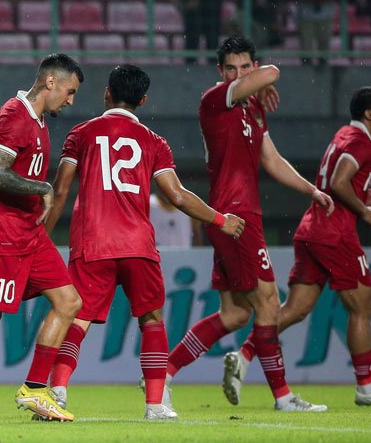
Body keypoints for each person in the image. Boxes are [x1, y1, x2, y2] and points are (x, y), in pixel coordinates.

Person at [42, 65, 245, 420]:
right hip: (137, 244)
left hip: (93, 242)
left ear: (106, 93)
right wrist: (220, 219)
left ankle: (56, 394)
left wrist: (40, 237)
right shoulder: (153, 141)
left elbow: (59, 191)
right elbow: (178, 196)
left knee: (77, 318)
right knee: (151, 320)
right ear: (144, 100)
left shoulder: (82, 134)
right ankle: (154, 404)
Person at [164, 36, 333, 412]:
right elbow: (273, 71)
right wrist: (264, 79)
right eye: (231, 69)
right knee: (269, 303)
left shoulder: (254, 109)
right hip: (234, 216)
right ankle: (283, 397)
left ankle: (163, 373)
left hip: (236, 216)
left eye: (245, 68)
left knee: (235, 313)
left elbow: (271, 160)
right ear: (220, 72)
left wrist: (311, 190)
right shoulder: (215, 99)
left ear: (250, 67)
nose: (238, 75)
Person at [223, 87, 371, 407]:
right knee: (361, 307)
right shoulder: (361, 142)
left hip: (310, 231)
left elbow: (337, 179)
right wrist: (364, 210)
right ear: (369, 115)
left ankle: (244, 356)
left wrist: (360, 195)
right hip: (335, 234)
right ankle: (367, 387)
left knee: (295, 310)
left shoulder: (343, 134)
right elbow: (341, 181)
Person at [0, 53, 85, 424]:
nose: (71, 101)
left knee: (69, 301)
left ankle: (35, 389)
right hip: (5, 238)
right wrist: (42, 188)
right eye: (70, 91)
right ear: (51, 83)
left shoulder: (39, 121)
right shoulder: (14, 115)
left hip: (30, 234)